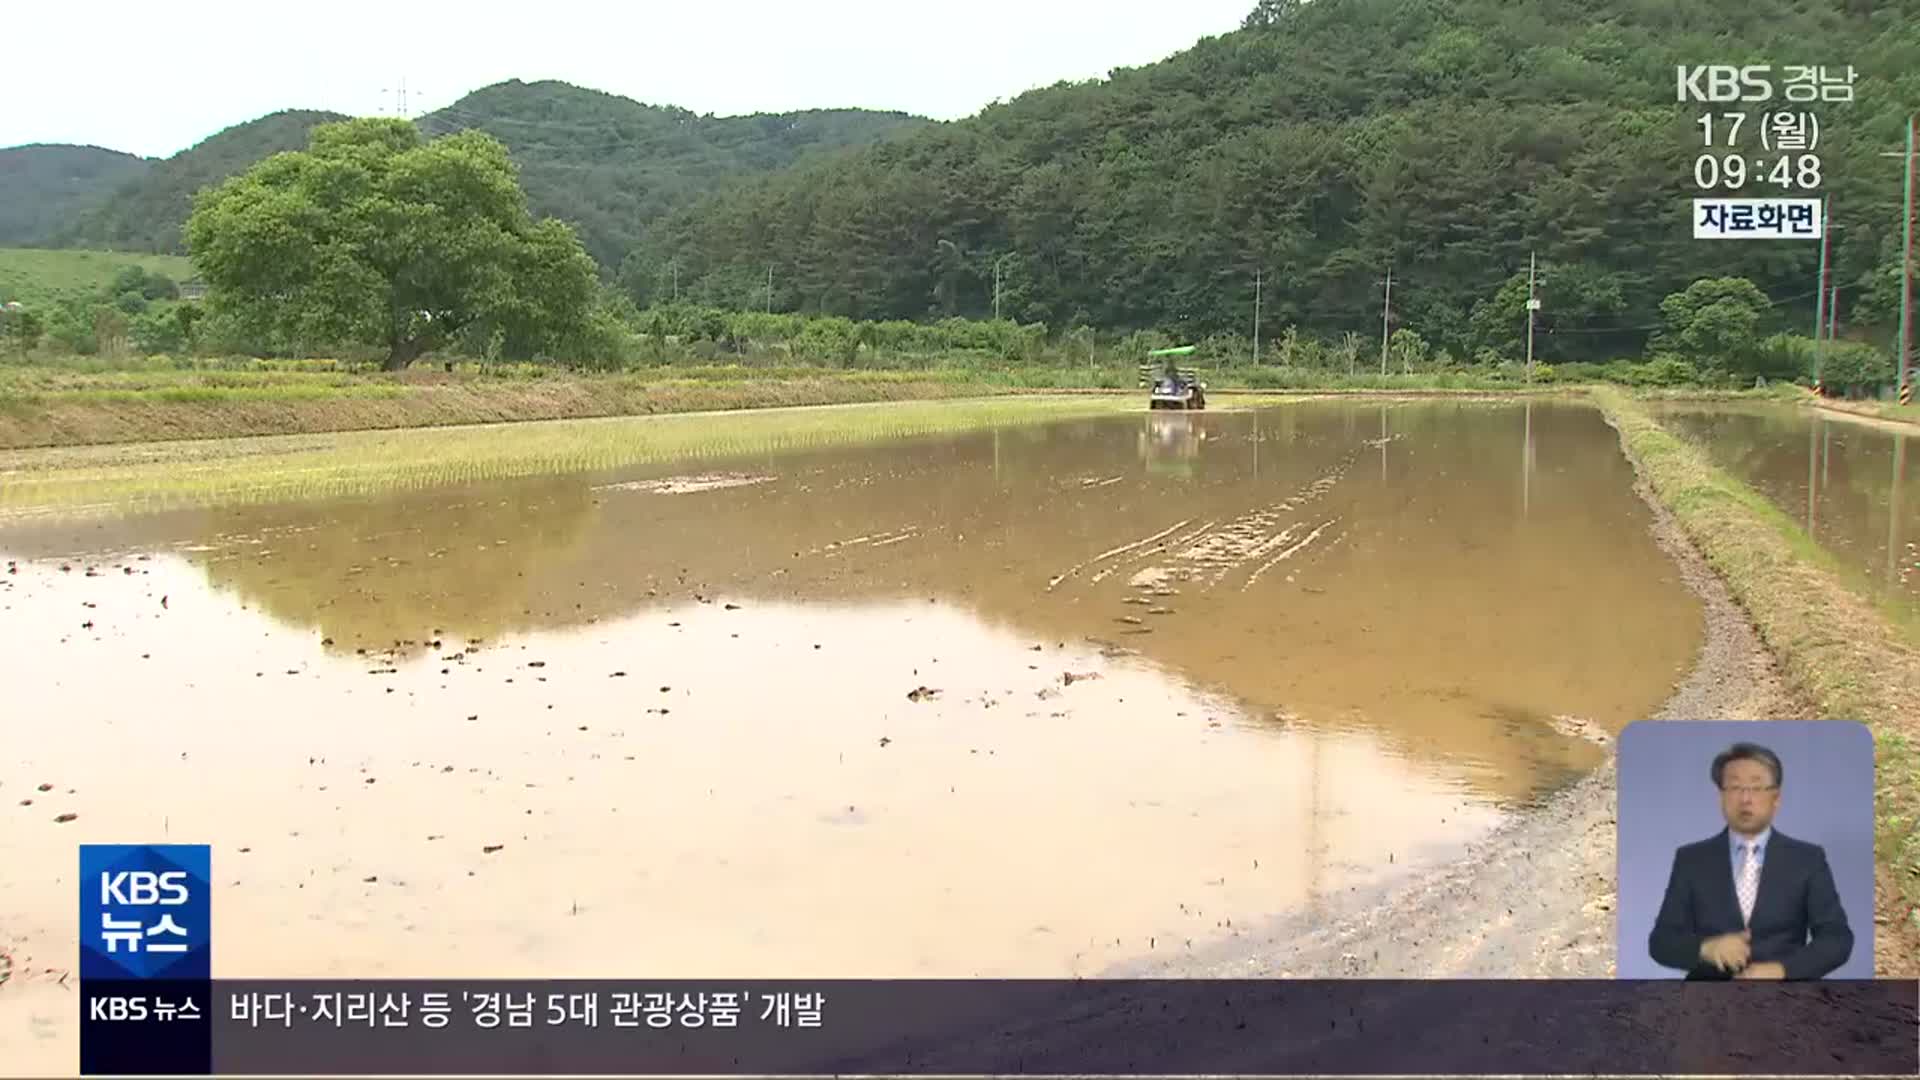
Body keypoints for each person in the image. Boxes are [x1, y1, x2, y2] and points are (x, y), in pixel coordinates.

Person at [1647, 742, 1852, 980]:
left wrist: (1781, 971)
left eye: (1756, 788)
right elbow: (1661, 942)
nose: (1745, 799)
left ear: (1776, 798)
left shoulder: (1807, 860)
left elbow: (1837, 938)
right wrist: (1706, 949)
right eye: (1735, 787)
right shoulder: (1691, 860)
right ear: (1721, 796)